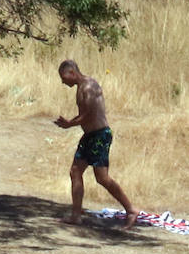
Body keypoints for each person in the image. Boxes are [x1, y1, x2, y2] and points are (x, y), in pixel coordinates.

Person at [55, 59, 139, 228]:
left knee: (102, 178)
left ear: (72, 73)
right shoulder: (81, 87)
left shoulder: (88, 87)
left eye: (64, 77)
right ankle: (76, 215)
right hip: (89, 136)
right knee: (75, 172)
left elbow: (89, 115)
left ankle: (131, 210)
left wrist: (68, 124)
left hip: (100, 136)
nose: (63, 82)